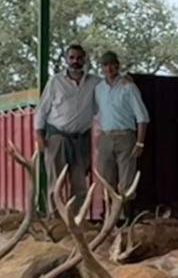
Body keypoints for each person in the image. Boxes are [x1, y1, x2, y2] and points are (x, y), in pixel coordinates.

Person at [34, 43, 97, 203]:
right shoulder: (55, 82)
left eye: (79, 58)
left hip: (81, 139)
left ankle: (76, 222)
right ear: (66, 60)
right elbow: (42, 110)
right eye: (72, 58)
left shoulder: (95, 82)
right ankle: (54, 223)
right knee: (55, 183)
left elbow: (112, 82)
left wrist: (125, 78)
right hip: (57, 137)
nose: (75, 61)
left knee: (80, 184)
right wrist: (39, 135)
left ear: (84, 60)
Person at [94, 50, 149, 196]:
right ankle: (111, 215)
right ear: (102, 68)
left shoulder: (128, 87)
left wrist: (140, 143)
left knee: (127, 181)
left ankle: (126, 216)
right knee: (106, 180)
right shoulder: (99, 89)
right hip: (106, 137)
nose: (109, 69)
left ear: (117, 66)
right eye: (105, 65)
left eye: (112, 65)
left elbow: (142, 117)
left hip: (125, 137)